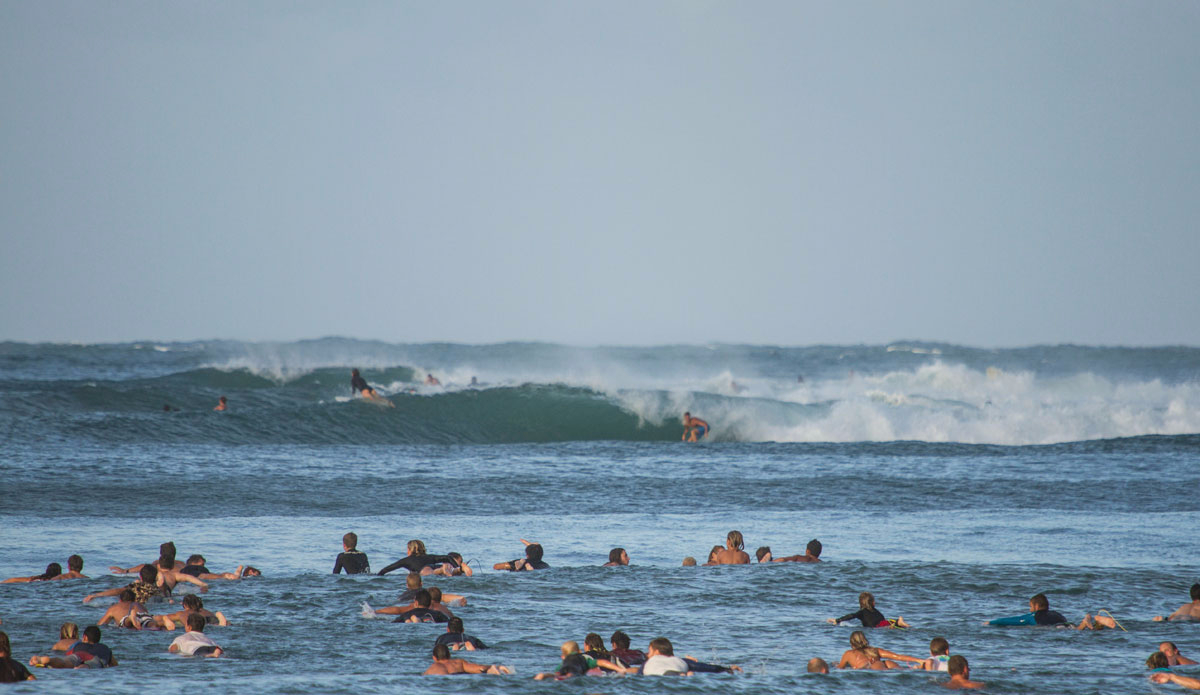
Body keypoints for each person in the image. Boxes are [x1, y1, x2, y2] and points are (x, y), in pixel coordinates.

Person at [29, 625, 117, 668]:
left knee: (64, 662)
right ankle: (80, 668)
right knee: (88, 666)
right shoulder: (105, 648)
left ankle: (49, 660)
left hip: (78, 654)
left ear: (85, 637)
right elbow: (115, 666)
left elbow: (67, 655)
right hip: (94, 658)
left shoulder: (78, 644)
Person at [836, 630, 919, 669]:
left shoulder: (848, 654)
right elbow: (898, 657)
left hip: (867, 671)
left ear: (852, 644)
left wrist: (835, 665)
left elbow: (840, 668)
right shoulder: (875, 650)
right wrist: (919, 660)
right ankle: (916, 667)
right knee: (887, 662)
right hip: (882, 668)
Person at [378, 539, 462, 575]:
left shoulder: (406, 561)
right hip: (435, 571)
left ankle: (442, 570)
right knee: (437, 570)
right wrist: (457, 568)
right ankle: (458, 570)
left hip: (424, 574)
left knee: (429, 572)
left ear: (410, 549)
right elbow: (448, 557)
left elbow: (386, 569)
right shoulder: (431, 557)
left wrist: (377, 576)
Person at [829, 591, 909, 628]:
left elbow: (851, 616)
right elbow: (882, 618)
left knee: (890, 626)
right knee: (892, 624)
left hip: (878, 626)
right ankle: (898, 622)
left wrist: (838, 620)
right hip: (886, 622)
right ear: (872, 603)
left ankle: (898, 622)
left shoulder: (862, 612)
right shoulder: (876, 610)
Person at [986, 592, 1068, 626]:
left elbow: (1011, 620)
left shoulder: (1033, 616)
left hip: (1045, 628)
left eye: (1031, 606)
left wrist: (990, 622)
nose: (1030, 610)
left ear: (1036, 606)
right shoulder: (1057, 614)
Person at [423, 643, 509, 675]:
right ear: (449, 655)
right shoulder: (459, 662)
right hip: (460, 674)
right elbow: (479, 668)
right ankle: (497, 668)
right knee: (482, 670)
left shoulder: (432, 668)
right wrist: (491, 667)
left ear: (434, 658)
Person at [163, 594, 228, 627]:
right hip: (212, 620)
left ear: (184, 605)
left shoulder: (182, 613)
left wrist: (165, 618)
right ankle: (220, 618)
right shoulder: (208, 612)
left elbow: (160, 618)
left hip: (194, 625)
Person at [178, 555, 244, 580]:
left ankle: (236, 575)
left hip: (184, 576)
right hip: (199, 576)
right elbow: (205, 575)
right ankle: (234, 575)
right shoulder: (198, 568)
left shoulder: (184, 569)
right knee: (222, 576)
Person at [756, 539, 822, 563]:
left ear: (807, 551)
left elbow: (783, 560)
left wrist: (771, 562)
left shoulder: (801, 558)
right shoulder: (820, 562)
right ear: (820, 552)